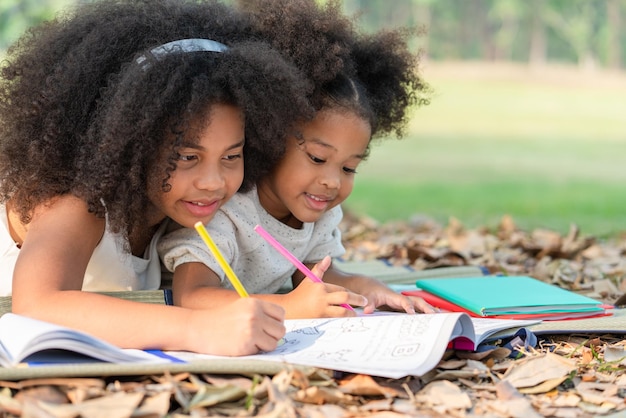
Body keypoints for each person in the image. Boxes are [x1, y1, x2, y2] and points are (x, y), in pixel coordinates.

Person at [0, 0, 316, 355]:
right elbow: (37, 305)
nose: (213, 181)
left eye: (231, 155)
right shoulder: (78, 200)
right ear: (132, 141)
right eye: (186, 156)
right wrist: (198, 329)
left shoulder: (180, 208)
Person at [158, 0, 435, 318]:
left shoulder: (317, 213)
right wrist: (291, 306)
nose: (332, 181)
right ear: (271, 137)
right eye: (318, 158)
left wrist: (368, 288)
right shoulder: (224, 211)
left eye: (349, 168)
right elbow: (193, 297)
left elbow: (316, 278)